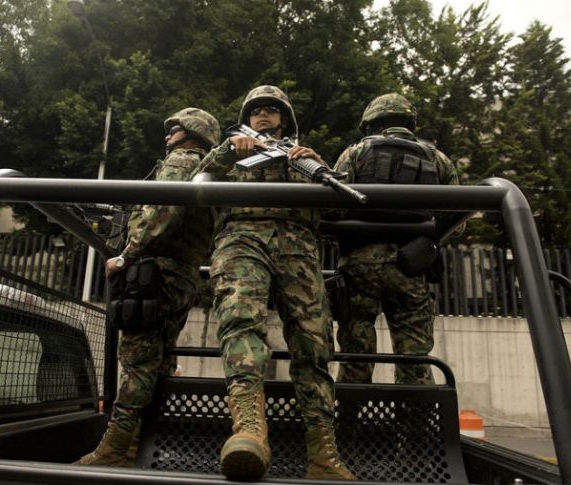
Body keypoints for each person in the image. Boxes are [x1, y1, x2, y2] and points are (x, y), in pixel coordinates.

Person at [192, 85, 355, 481]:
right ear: (247, 117)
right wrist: (229, 152)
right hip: (241, 237)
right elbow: (199, 182)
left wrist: (315, 164)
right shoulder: (233, 148)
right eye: (256, 110)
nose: (263, 115)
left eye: (272, 110)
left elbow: (336, 203)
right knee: (240, 321)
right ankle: (248, 430)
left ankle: (322, 452)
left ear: (284, 119)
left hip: (297, 245)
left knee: (314, 340)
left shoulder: (303, 156)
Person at [75, 108, 219, 467]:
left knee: (138, 363)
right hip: (181, 277)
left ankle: (113, 450)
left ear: (191, 133)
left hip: (155, 274)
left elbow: (159, 213)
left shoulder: (182, 160)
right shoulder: (209, 168)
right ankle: (136, 445)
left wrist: (126, 255)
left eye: (174, 129)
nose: (168, 135)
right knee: (158, 364)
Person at [332, 93, 459, 385]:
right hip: (411, 268)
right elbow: (456, 220)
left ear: (371, 123)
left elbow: (333, 205)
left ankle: (347, 427)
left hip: (359, 266)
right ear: (409, 122)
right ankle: (415, 430)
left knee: (356, 354)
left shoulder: (355, 152)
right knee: (414, 358)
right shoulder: (438, 159)